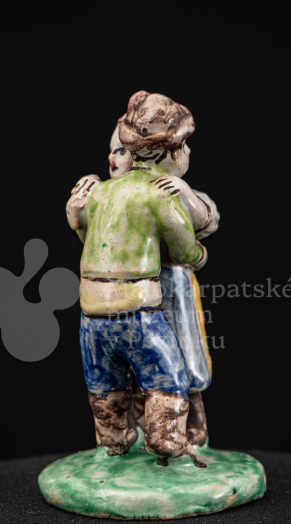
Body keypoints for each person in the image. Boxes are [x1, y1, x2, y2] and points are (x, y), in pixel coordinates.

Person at [68, 92, 219, 449]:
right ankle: (162, 439)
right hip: (141, 302)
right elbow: (184, 248)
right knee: (164, 375)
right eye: (115, 150)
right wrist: (76, 216)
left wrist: (184, 192)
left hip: (161, 293)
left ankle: (142, 436)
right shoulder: (143, 194)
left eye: (123, 150)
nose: (115, 157)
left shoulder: (156, 190)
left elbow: (206, 221)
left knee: (178, 362)